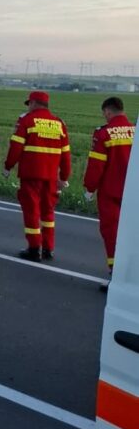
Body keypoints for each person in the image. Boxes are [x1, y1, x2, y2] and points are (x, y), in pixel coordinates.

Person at [2, 90, 71, 262]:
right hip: (51, 177)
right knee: (48, 212)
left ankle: (34, 248)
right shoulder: (59, 123)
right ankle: (48, 248)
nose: (29, 107)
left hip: (31, 174)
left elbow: (16, 146)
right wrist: (64, 176)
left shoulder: (27, 120)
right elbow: (66, 154)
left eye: (29, 103)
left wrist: (8, 166)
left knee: (32, 211)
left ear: (33, 103)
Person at [83, 96, 134, 286]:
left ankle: (116, 275)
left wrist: (89, 188)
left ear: (107, 111)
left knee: (112, 232)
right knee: (131, 233)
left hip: (111, 192)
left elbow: (96, 165)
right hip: (132, 192)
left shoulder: (104, 133)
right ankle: (130, 272)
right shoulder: (135, 130)